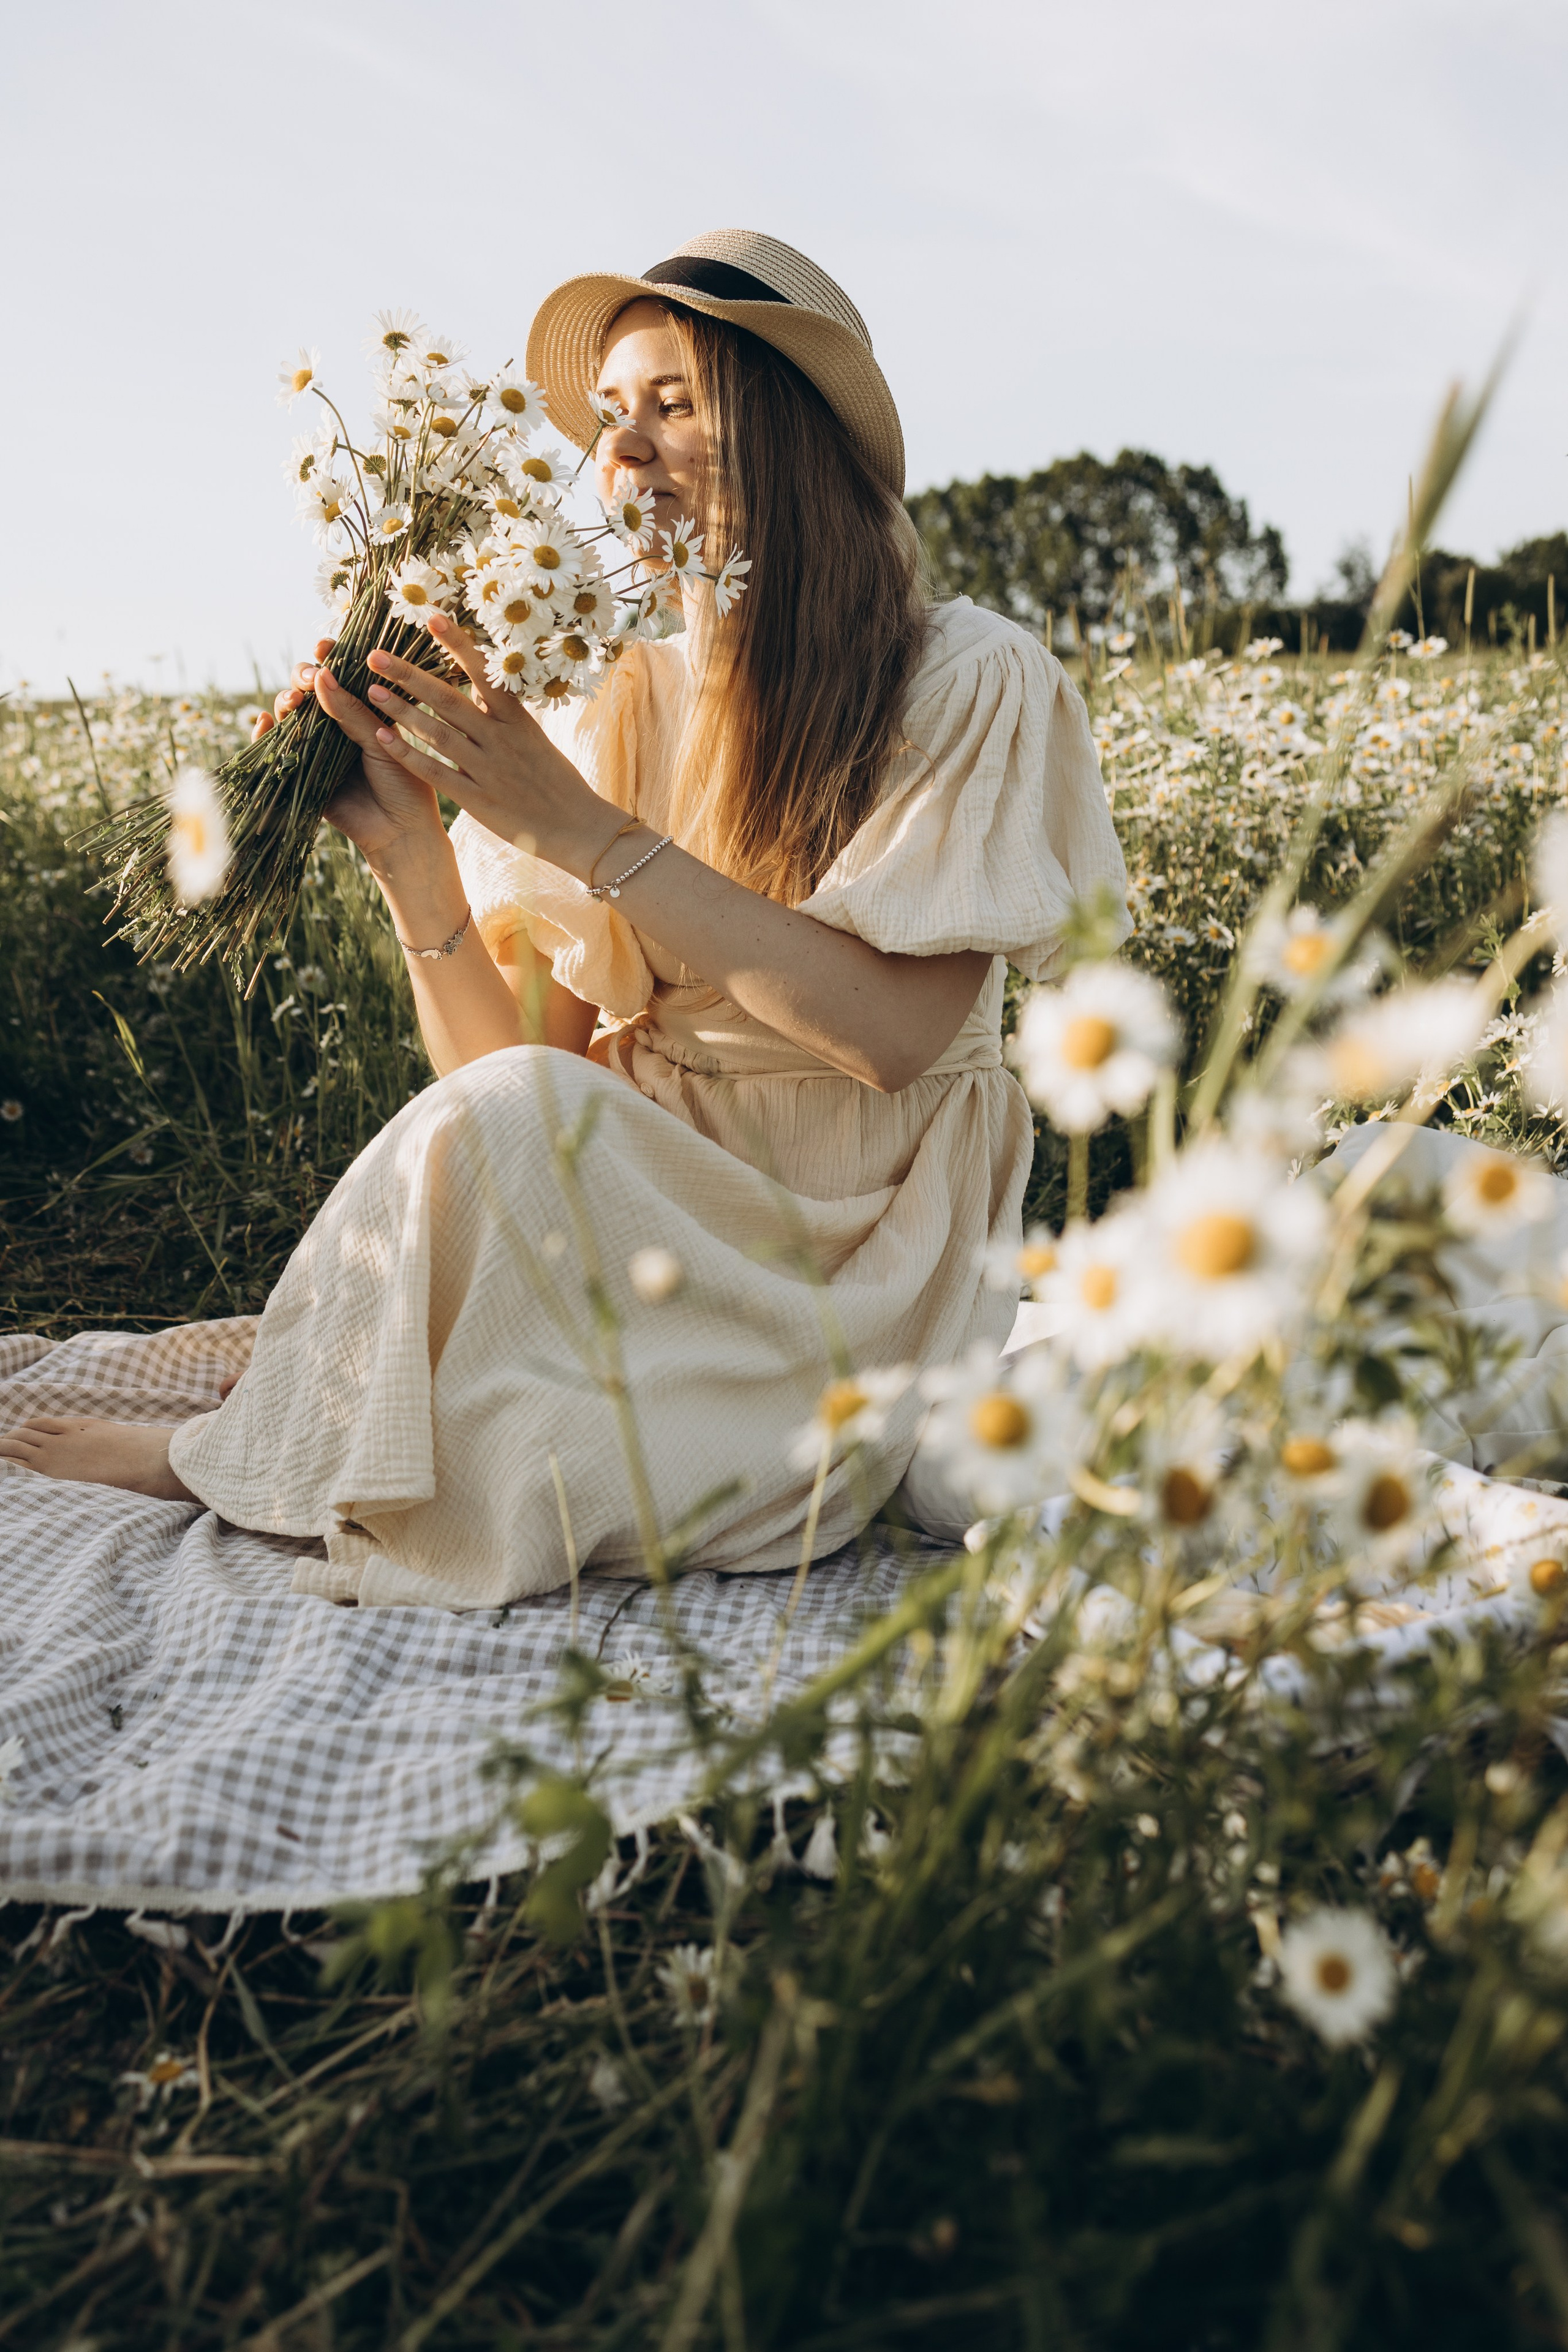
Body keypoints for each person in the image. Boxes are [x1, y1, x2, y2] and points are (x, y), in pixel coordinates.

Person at [0, 230, 1128, 1607]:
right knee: (503, 1267)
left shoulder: (966, 677)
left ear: (789, 436)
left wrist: (586, 835)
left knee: (511, 1446)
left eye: (674, 406)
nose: (624, 451)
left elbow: (890, 1037)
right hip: (659, 1218)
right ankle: (287, 1433)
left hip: (860, 1252)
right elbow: (512, 1084)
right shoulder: (622, 694)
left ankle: (234, 1452)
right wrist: (414, 860)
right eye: (608, 417)